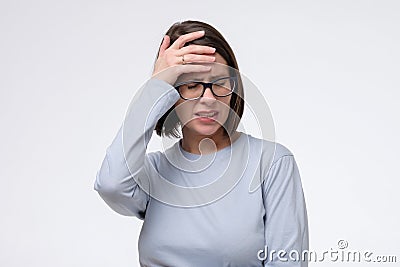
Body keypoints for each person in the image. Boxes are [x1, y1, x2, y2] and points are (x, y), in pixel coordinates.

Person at [94, 20, 309, 266]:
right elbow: (110, 185)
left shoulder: (271, 163)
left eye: (219, 84)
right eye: (191, 85)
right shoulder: (153, 173)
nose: (208, 99)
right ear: (171, 94)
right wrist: (156, 85)